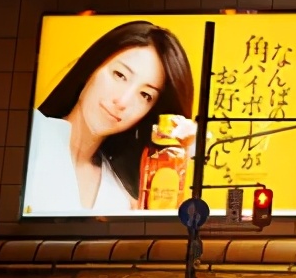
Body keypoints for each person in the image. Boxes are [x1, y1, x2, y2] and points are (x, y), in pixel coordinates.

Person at [25, 20, 196, 215]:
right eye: (119, 75)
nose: (123, 101)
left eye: (145, 95)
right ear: (92, 67)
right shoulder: (27, 134)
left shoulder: (124, 195)